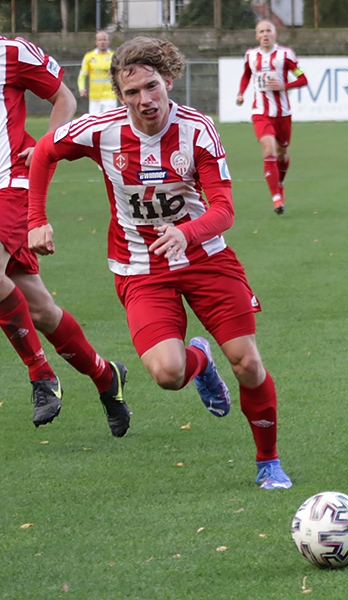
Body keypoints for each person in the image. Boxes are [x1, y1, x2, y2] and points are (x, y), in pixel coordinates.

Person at [27, 37, 292, 490]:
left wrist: (184, 232)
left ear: (168, 81)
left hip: (205, 258)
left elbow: (224, 208)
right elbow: (45, 152)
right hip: (140, 269)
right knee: (168, 374)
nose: (145, 100)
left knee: (247, 362)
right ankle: (200, 362)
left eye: (152, 87)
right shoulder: (101, 130)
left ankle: (268, 461)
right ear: (119, 94)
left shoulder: (197, 129)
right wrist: (36, 219)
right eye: (132, 93)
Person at [0, 35, 129, 436]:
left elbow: (65, 100)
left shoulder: (13, 52)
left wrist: (42, 148)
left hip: (9, 184)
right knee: (39, 309)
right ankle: (106, 375)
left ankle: (42, 374)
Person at [236, 19, 308, 215]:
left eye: (269, 30)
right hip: (260, 113)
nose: (265, 34)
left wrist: (285, 86)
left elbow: (302, 78)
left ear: (275, 34)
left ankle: (280, 182)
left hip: (283, 114)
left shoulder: (285, 55)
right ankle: (277, 198)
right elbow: (246, 75)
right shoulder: (251, 56)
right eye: (261, 31)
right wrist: (241, 93)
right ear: (256, 36)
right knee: (269, 151)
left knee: (282, 154)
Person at [78, 31, 118, 114]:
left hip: (110, 96)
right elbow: (82, 75)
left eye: (104, 39)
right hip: (94, 97)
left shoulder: (114, 56)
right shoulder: (89, 56)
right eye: (100, 40)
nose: (102, 42)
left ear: (109, 41)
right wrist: (81, 88)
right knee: (95, 123)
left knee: (109, 122)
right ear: (96, 42)